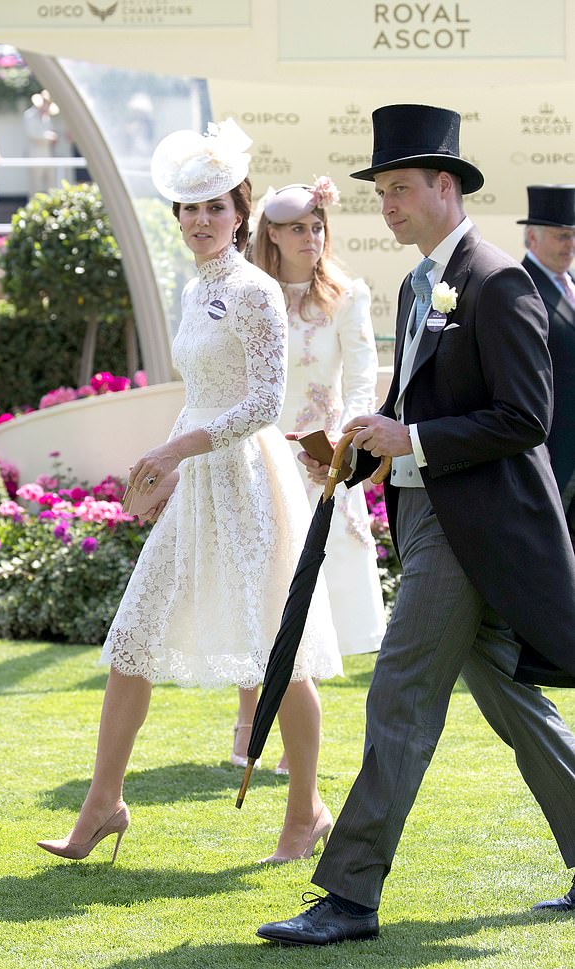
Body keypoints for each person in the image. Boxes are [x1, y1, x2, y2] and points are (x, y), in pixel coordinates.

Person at [256, 103, 575, 946]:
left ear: (446, 184)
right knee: (514, 702)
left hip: (481, 533)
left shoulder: (500, 280)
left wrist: (416, 438)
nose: (388, 203)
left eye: (400, 188)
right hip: (433, 515)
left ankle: (351, 895)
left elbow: (526, 417)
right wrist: (363, 443)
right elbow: (414, 404)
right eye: (381, 189)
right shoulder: (416, 283)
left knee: (398, 696)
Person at [36, 118, 342, 867]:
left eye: (215, 206)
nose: (201, 220)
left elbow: (265, 403)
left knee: (281, 655)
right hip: (199, 481)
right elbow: (203, 394)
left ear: (240, 213)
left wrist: (179, 448)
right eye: (189, 208)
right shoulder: (193, 288)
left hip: (248, 483)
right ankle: (103, 804)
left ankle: (304, 811)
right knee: (132, 640)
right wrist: (167, 470)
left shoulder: (257, 291)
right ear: (176, 217)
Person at [230, 177, 387, 773]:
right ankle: (249, 719)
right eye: (297, 226)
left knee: (309, 600)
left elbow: (363, 379)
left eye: (318, 226)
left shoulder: (347, 294)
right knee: (260, 592)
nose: (311, 236)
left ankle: (292, 734)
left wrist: (344, 443)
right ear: (269, 233)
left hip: (322, 463)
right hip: (259, 458)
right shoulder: (253, 294)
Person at [518, 184, 575, 549]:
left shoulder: (571, 283)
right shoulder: (521, 287)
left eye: (573, 236)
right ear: (532, 238)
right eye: (561, 236)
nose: (569, 244)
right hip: (553, 449)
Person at [23, 89, 59, 196]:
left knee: (51, 183)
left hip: (48, 154)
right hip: (35, 154)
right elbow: (32, 134)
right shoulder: (29, 115)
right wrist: (50, 137)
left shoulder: (46, 118)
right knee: (35, 184)